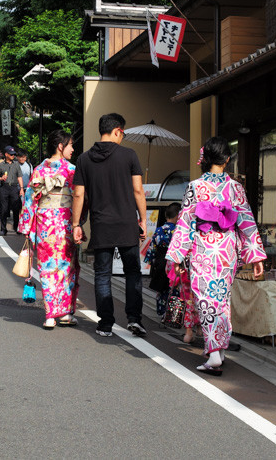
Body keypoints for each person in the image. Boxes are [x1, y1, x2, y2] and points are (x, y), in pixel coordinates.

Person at [166, 137, 266, 375]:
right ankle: (219, 350)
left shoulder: (195, 186)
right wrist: (256, 257)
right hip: (227, 251)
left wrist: (178, 255)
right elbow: (247, 223)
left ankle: (213, 356)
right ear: (227, 160)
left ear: (206, 159)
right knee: (221, 300)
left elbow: (186, 223)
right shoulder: (236, 188)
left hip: (203, 248)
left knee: (206, 301)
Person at [71, 113, 147, 338]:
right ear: (117, 131)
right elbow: (138, 191)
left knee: (102, 274)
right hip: (126, 224)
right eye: (122, 133)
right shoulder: (129, 155)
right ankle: (134, 319)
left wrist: (76, 224)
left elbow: (78, 194)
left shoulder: (84, 159)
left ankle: (105, 324)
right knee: (132, 273)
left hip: (101, 224)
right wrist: (142, 219)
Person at [20, 130, 80, 330]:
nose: (73, 149)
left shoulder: (38, 169)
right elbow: (79, 198)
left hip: (44, 224)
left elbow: (30, 199)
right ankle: (65, 313)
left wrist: (27, 227)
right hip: (64, 224)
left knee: (47, 270)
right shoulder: (71, 170)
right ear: (61, 146)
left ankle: (49, 316)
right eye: (70, 145)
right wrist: (79, 222)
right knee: (66, 269)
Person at [144, 202, 181, 320]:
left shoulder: (159, 230)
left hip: (160, 262)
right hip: (174, 263)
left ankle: (161, 312)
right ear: (178, 216)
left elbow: (152, 248)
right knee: (174, 289)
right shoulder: (179, 231)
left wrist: (151, 261)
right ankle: (173, 315)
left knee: (161, 289)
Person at [0, 146, 23, 235]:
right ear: (6, 154)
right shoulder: (0, 165)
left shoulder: (16, 164)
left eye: (14, 154)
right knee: (4, 209)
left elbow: (19, 177)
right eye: (11, 154)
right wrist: (1, 178)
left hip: (14, 188)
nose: (13, 156)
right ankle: (3, 229)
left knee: (16, 208)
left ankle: (16, 227)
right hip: (4, 188)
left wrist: (21, 188)